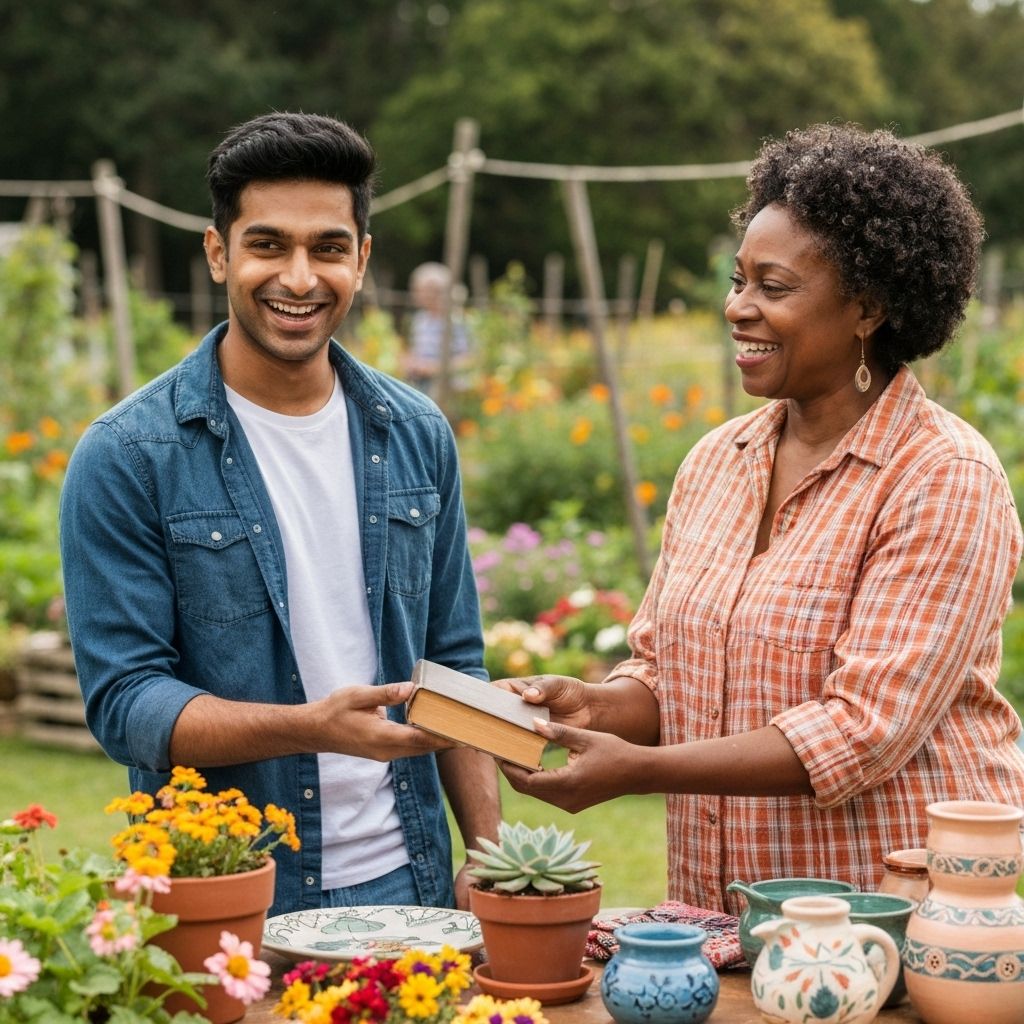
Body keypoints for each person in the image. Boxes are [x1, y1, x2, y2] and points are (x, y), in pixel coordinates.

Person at [498, 123, 1024, 915]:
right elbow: (670, 673)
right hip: (719, 912)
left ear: (869, 308)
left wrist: (641, 771)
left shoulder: (942, 477)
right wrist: (594, 705)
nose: (736, 308)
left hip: (885, 918)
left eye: (772, 289)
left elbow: (862, 730)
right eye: (738, 281)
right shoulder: (719, 461)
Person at [59, 112, 499, 916]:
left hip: (412, 881)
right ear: (219, 251)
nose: (299, 278)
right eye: (268, 245)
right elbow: (126, 702)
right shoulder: (129, 454)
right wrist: (310, 726)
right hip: (231, 885)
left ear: (361, 261)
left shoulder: (415, 435)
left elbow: (453, 660)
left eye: (328, 248)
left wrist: (490, 856)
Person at [401, 262, 474, 398]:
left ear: (435, 291)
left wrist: (432, 368)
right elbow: (416, 351)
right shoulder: (420, 320)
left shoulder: (457, 321)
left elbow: (468, 360)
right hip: (421, 383)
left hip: (449, 387)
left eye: (418, 290)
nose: (415, 294)